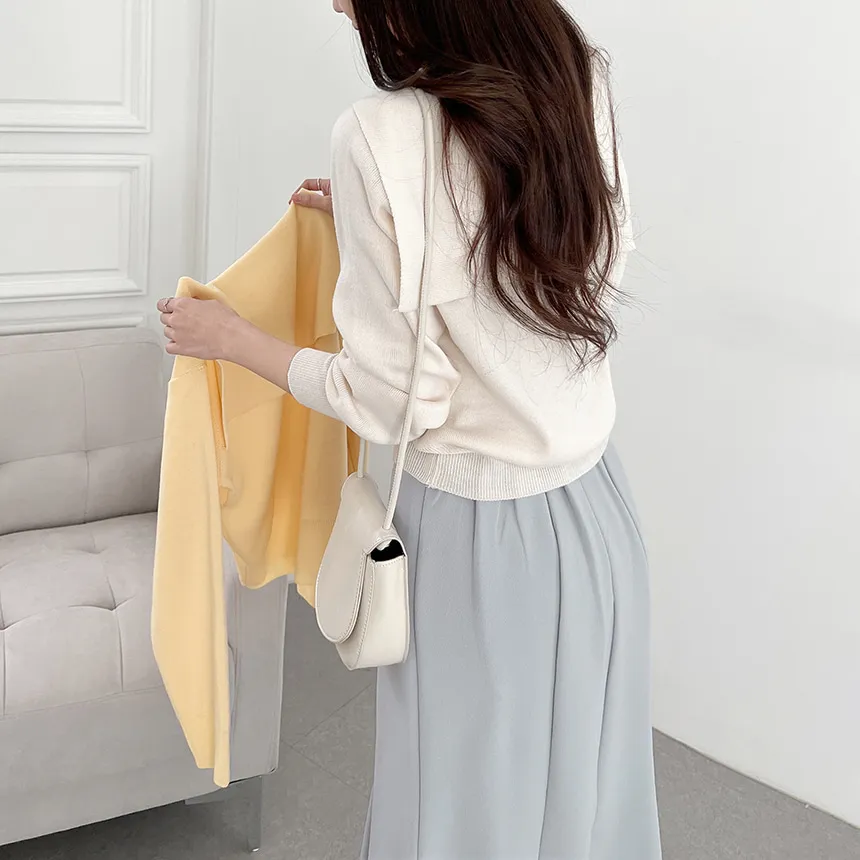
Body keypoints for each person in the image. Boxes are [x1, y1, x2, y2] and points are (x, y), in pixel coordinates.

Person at [157, 0, 662, 857]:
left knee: (453, 814)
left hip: (474, 542)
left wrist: (235, 341)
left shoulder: (377, 137)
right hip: (600, 519)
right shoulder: (575, 74)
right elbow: (581, 259)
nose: (336, 5)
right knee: (585, 799)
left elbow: (396, 402)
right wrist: (389, 230)